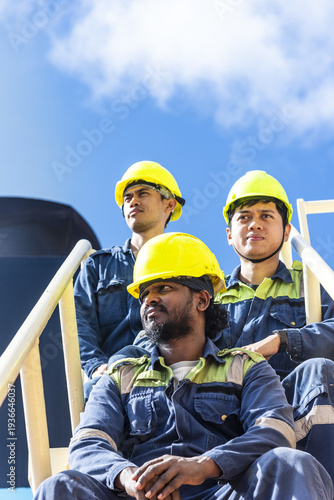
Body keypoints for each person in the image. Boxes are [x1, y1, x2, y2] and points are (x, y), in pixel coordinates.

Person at [34, 233, 332, 500]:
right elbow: (88, 444)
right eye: (144, 293)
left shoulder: (247, 367)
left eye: (163, 287)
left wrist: (203, 466)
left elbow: (274, 432)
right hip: (138, 496)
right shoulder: (120, 375)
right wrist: (130, 479)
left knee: (292, 463)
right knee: (58, 487)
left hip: (221, 491)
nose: (150, 299)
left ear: (202, 299)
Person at [213, 169, 334, 485]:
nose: (254, 223)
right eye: (244, 217)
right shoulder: (208, 295)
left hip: (291, 402)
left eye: (266, 215)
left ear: (286, 231)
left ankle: (320, 484)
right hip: (226, 411)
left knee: (319, 370)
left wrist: (282, 339)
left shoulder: (309, 282)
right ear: (229, 233)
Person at [74, 160, 185, 382]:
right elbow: (78, 322)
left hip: (171, 379)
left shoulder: (186, 265)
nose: (133, 201)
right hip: (111, 379)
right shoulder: (97, 266)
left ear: (169, 205)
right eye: (128, 198)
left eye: (143, 193)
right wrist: (96, 366)